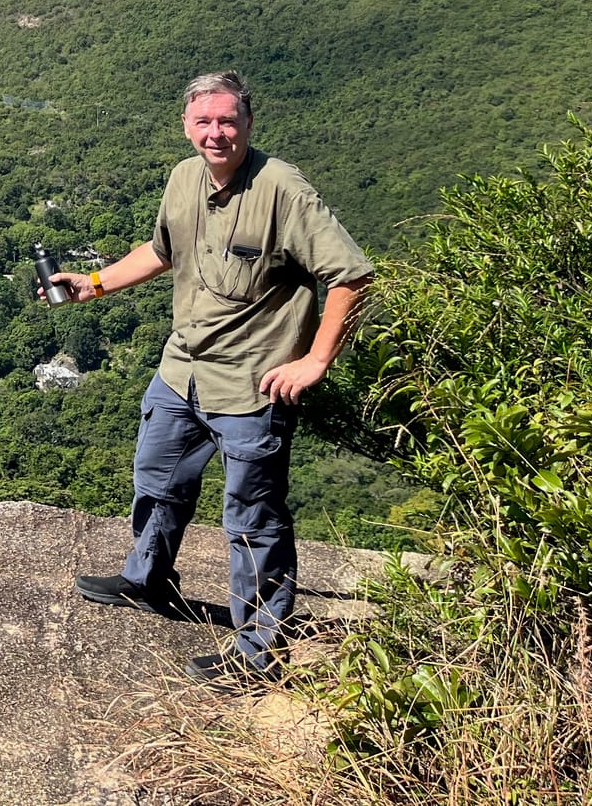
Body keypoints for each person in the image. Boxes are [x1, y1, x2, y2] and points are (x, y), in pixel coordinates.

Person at [45, 71, 373, 682]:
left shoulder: (281, 189)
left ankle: (259, 654)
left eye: (228, 121)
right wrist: (92, 283)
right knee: (157, 477)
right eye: (204, 122)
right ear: (187, 125)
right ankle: (148, 580)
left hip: (252, 383)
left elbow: (351, 276)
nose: (216, 133)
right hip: (182, 369)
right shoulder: (184, 178)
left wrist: (315, 361)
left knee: (253, 518)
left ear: (248, 123)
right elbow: (164, 251)